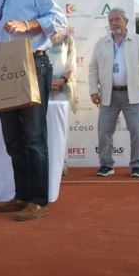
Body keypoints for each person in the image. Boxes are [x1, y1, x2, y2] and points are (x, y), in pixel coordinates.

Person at [0, 0, 67, 221]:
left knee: (33, 136)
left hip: (33, 62)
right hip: (2, 69)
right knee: (13, 139)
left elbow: (59, 18)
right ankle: (21, 195)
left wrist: (28, 25)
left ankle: (38, 200)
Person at [89, 8, 139, 178]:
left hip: (133, 94)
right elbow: (93, 68)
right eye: (110, 20)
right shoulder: (101, 43)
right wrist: (93, 90)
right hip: (108, 94)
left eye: (117, 19)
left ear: (126, 22)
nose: (114, 23)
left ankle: (137, 165)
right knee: (104, 131)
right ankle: (106, 165)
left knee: (137, 131)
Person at [47, 32, 78, 176]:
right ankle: (46, 163)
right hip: (41, 88)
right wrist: (45, 82)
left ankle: (62, 162)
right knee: (43, 127)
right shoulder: (38, 39)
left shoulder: (67, 39)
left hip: (62, 88)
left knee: (61, 127)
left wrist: (62, 80)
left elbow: (72, 65)